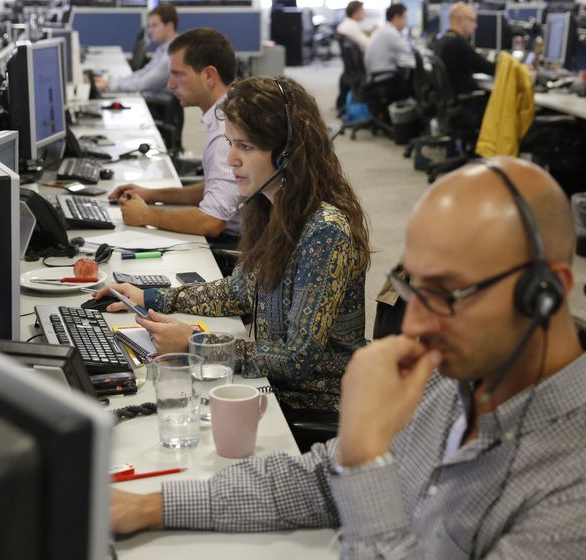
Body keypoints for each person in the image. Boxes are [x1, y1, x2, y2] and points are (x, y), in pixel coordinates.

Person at [110, 157, 586, 558]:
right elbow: (319, 481)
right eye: (412, 287)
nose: (415, 326)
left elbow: (350, 475)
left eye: (447, 293)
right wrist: (149, 506)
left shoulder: (571, 492)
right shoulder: (456, 380)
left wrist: (364, 460)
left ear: (544, 295)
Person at [97, 76, 370, 425]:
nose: (231, 160)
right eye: (230, 143)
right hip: (277, 387)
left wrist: (196, 343)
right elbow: (237, 292)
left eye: (246, 147)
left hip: (319, 402)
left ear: (287, 151)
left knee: (168, 410)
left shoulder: (324, 230)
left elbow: (298, 359)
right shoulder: (272, 205)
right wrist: (150, 297)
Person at [107, 29, 240, 241]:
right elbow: (216, 187)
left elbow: (211, 222)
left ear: (209, 76)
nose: (170, 85)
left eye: (178, 74)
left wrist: (147, 215)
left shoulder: (225, 132)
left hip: (232, 248)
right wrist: (153, 195)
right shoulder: (228, 111)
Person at [93, 4, 178, 97]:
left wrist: (109, 86)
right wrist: (110, 82)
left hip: (155, 106)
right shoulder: (163, 48)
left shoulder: (172, 54)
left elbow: (144, 83)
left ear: (169, 26)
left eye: (154, 25)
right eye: (149, 26)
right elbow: (144, 72)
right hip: (148, 97)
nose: (150, 30)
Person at [435, 2, 495, 95]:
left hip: (451, 100)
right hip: (467, 101)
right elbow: (488, 68)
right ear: (460, 20)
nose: (476, 26)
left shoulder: (441, 40)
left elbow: (475, 65)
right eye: (473, 20)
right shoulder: (458, 44)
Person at [364, 3, 413, 103]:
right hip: (383, 78)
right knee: (413, 83)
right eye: (405, 18)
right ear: (396, 18)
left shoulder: (385, 29)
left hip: (375, 75)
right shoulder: (390, 32)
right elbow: (409, 50)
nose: (406, 22)